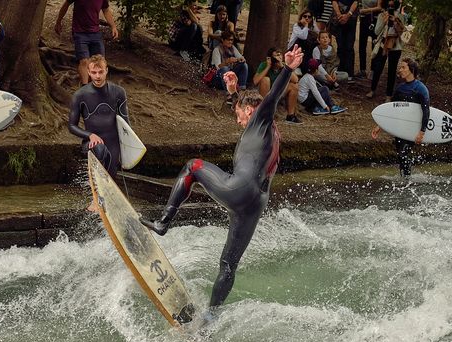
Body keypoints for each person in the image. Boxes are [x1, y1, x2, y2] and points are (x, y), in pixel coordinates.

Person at [140, 46, 303, 309]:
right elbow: (250, 102)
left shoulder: (261, 115)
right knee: (228, 265)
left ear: (249, 111)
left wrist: (287, 68)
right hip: (255, 204)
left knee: (192, 166)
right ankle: (211, 317)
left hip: (239, 188)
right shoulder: (266, 129)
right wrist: (234, 91)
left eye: (238, 114)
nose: (237, 121)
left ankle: (163, 222)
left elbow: (269, 99)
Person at [68, 55, 129, 212]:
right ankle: (95, 199)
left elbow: (125, 124)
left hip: (113, 142)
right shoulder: (80, 95)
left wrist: (127, 150)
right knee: (100, 148)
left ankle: (106, 201)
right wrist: (90, 135)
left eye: (100, 72)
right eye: (93, 72)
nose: (97, 76)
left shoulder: (118, 92)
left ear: (106, 71)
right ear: (88, 72)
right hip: (91, 143)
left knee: (111, 175)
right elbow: (71, 126)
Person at [371, 58, 429, 178]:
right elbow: (391, 109)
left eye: (403, 67)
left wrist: (422, 132)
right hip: (400, 128)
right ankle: (405, 179)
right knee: (401, 154)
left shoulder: (421, 89)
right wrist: (379, 126)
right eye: (400, 67)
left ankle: (406, 181)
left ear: (411, 70)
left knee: (404, 153)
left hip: (413, 128)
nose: (400, 70)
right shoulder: (400, 88)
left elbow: (426, 111)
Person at [54, 0, 119, 85]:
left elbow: (106, 10)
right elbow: (66, 5)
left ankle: (96, 88)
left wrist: (113, 26)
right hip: (80, 33)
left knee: (100, 62)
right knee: (84, 61)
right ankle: (85, 88)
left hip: (95, 33)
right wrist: (58, 22)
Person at [366, 0, 405, 101]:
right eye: (389, 6)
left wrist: (395, 22)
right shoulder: (381, 15)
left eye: (392, 6)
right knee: (377, 67)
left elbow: (403, 34)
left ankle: (388, 95)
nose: (390, 8)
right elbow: (376, 31)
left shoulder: (400, 16)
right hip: (383, 44)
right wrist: (384, 21)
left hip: (395, 46)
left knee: (392, 70)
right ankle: (372, 90)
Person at [253, 48, 302, 124]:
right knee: (265, 80)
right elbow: (255, 81)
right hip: (266, 92)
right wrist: (268, 66)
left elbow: (295, 80)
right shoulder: (264, 64)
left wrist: (283, 67)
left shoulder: (284, 66)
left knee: (294, 86)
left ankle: (290, 116)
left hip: (278, 91)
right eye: (276, 55)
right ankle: (263, 113)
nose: (278, 57)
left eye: (280, 55)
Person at [331, 0, 358, 80]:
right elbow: (334, 1)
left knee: (349, 47)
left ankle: (350, 73)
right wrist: (339, 14)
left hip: (351, 18)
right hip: (339, 19)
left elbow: (356, 2)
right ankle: (340, 71)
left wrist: (348, 15)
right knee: (340, 46)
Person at [286, 8, 319, 73]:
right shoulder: (297, 26)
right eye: (305, 16)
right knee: (303, 40)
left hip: (304, 49)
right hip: (294, 48)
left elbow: (318, 34)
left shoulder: (312, 26)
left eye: (309, 17)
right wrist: (306, 26)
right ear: (301, 17)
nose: (307, 18)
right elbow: (303, 37)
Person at [357, 0, 382, 78]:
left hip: (374, 20)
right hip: (364, 19)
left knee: (374, 45)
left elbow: (380, 7)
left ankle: (373, 70)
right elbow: (359, 4)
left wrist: (365, 10)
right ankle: (362, 70)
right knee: (362, 45)